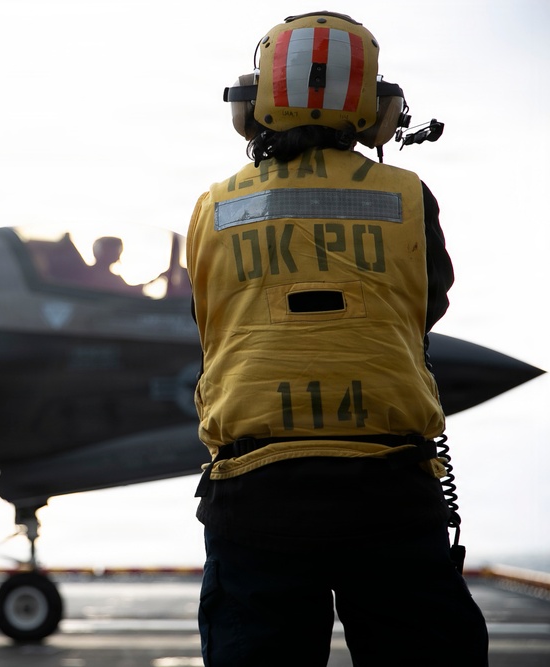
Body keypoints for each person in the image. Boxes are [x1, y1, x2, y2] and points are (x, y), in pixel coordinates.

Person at [186, 12, 488, 666]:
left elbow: (208, 317)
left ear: (251, 107)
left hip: (254, 488)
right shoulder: (408, 196)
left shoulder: (214, 207)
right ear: (381, 113)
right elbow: (424, 305)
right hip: (388, 486)